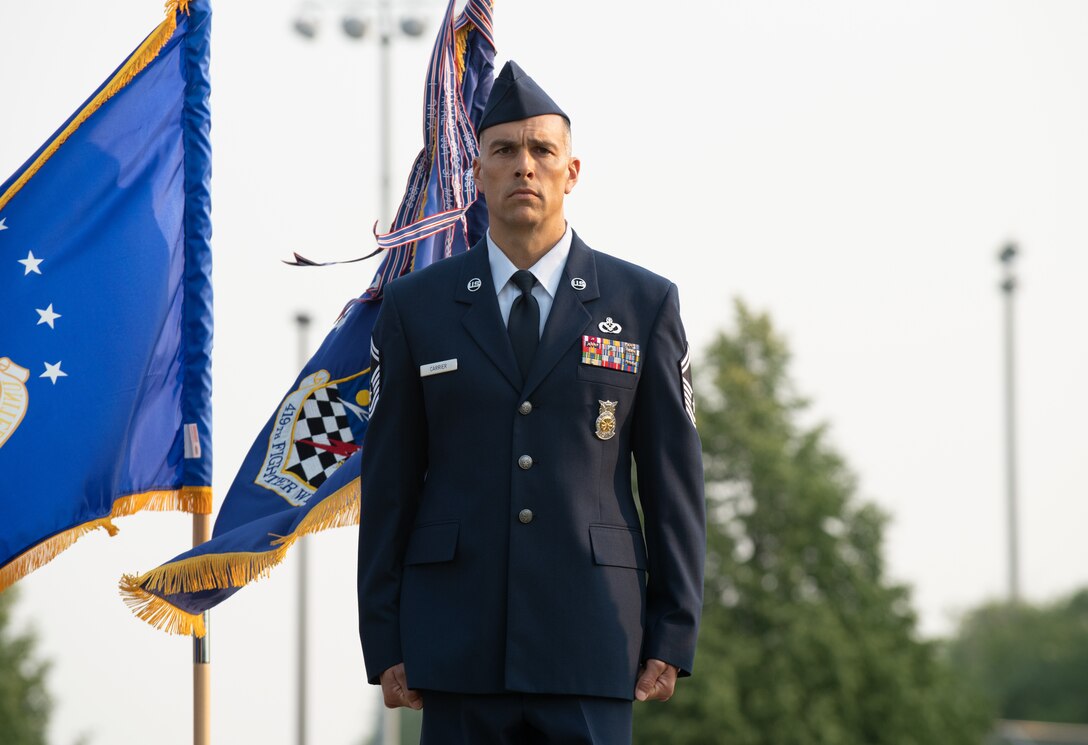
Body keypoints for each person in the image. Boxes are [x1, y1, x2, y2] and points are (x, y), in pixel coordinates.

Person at [357, 60, 706, 744]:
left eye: (543, 151)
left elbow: (674, 484)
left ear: (572, 171)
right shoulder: (414, 310)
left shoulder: (643, 305)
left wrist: (674, 628)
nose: (525, 166)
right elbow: (390, 484)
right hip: (455, 645)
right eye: (505, 151)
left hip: (593, 638)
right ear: (477, 173)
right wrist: (386, 634)